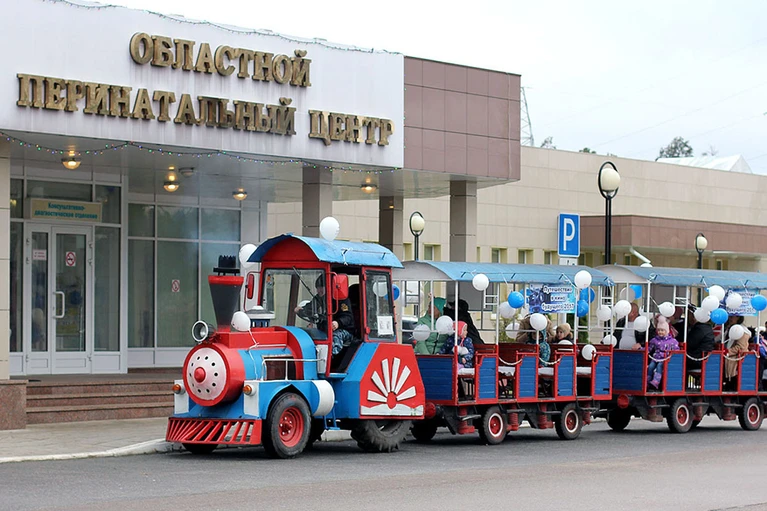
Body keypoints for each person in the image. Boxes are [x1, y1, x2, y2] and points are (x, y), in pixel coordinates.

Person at [295, 274, 355, 355]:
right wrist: (301, 310)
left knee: (336, 336)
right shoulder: (319, 298)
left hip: (344, 330)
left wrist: (338, 323)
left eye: (321, 287)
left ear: (329, 287)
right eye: (318, 288)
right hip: (325, 328)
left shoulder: (341, 299)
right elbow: (310, 308)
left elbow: (348, 317)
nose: (318, 290)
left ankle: (331, 357)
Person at [647, 317, 679, 389]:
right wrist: (642, 349)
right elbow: (649, 348)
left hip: (665, 359)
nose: (660, 332)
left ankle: (656, 381)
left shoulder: (672, 341)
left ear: (667, 331)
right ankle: (648, 380)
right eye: (659, 330)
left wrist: (670, 354)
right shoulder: (655, 340)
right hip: (656, 358)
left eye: (662, 330)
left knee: (659, 366)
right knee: (650, 366)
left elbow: (676, 350)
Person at [684, 305, 715, 370]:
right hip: (703, 357)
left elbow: (690, 344)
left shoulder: (699, 329)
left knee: (679, 359)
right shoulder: (707, 327)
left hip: (698, 359)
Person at [724, 315, 750, 389]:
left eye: (732, 317)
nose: (730, 318)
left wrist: (727, 352)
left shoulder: (743, 331)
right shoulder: (729, 328)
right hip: (727, 355)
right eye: (729, 316)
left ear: (738, 317)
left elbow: (741, 347)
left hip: (736, 358)